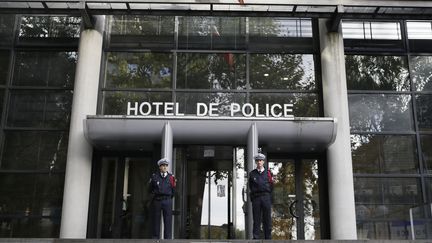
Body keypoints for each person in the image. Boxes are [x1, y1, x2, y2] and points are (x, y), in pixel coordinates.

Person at [148, 158, 176, 239]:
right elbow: (150, 189)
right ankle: (155, 239)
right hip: (157, 200)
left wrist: (169, 198)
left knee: (168, 221)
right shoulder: (155, 177)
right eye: (163, 165)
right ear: (159, 167)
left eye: (166, 165)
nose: (165, 167)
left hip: (167, 200)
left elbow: (173, 190)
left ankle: (167, 239)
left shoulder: (171, 177)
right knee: (156, 220)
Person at [248, 153, 273, 239]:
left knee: (267, 219)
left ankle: (268, 238)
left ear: (263, 161)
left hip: (266, 197)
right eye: (257, 160)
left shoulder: (268, 173)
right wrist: (253, 198)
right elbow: (250, 186)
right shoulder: (252, 174)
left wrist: (269, 198)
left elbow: (271, 186)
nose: (259, 162)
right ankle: (256, 237)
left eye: (261, 160)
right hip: (256, 198)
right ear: (255, 162)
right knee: (256, 219)